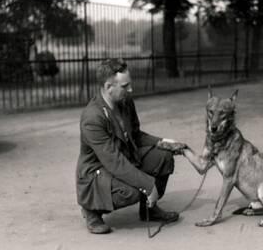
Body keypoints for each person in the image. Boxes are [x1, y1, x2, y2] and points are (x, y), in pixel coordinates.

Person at [75, 58, 184, 234]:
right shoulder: (92, 118)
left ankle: (149, 209)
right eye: (125, 86)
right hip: (99, 170)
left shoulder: (125, 102)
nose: (130, 90)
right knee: (132, 191)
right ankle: (91, 210)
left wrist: (163, 142)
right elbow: (114, 162)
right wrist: (148, 185)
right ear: (109, 87)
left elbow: (136, 135)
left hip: (123, 158)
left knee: (163, 157)